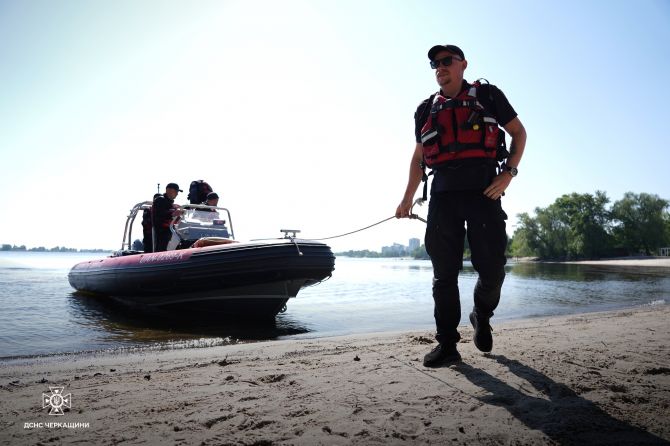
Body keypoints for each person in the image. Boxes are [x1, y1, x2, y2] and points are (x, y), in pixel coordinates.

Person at [395, 44, 527, 367]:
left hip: (485, 192)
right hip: (443, 197)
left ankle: (481, 314)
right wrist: (407, 197)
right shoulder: (425, 110)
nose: (439, 67)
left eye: (446, 61)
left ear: (463, 64)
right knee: (444, 275)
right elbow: (418, 158)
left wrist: (508, 174)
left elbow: (519, 133)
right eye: (434, 64)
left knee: (493, 270)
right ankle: (447, 345)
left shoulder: (489, 95)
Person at [152, 183, 182, 252]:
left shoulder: (169, 203)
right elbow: (160, 214)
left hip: (170, 231)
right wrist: (173, 213)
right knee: (162, 248)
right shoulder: (160, 200)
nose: (177, 194)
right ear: (168, 190)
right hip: (162, 232)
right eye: (176, 191)